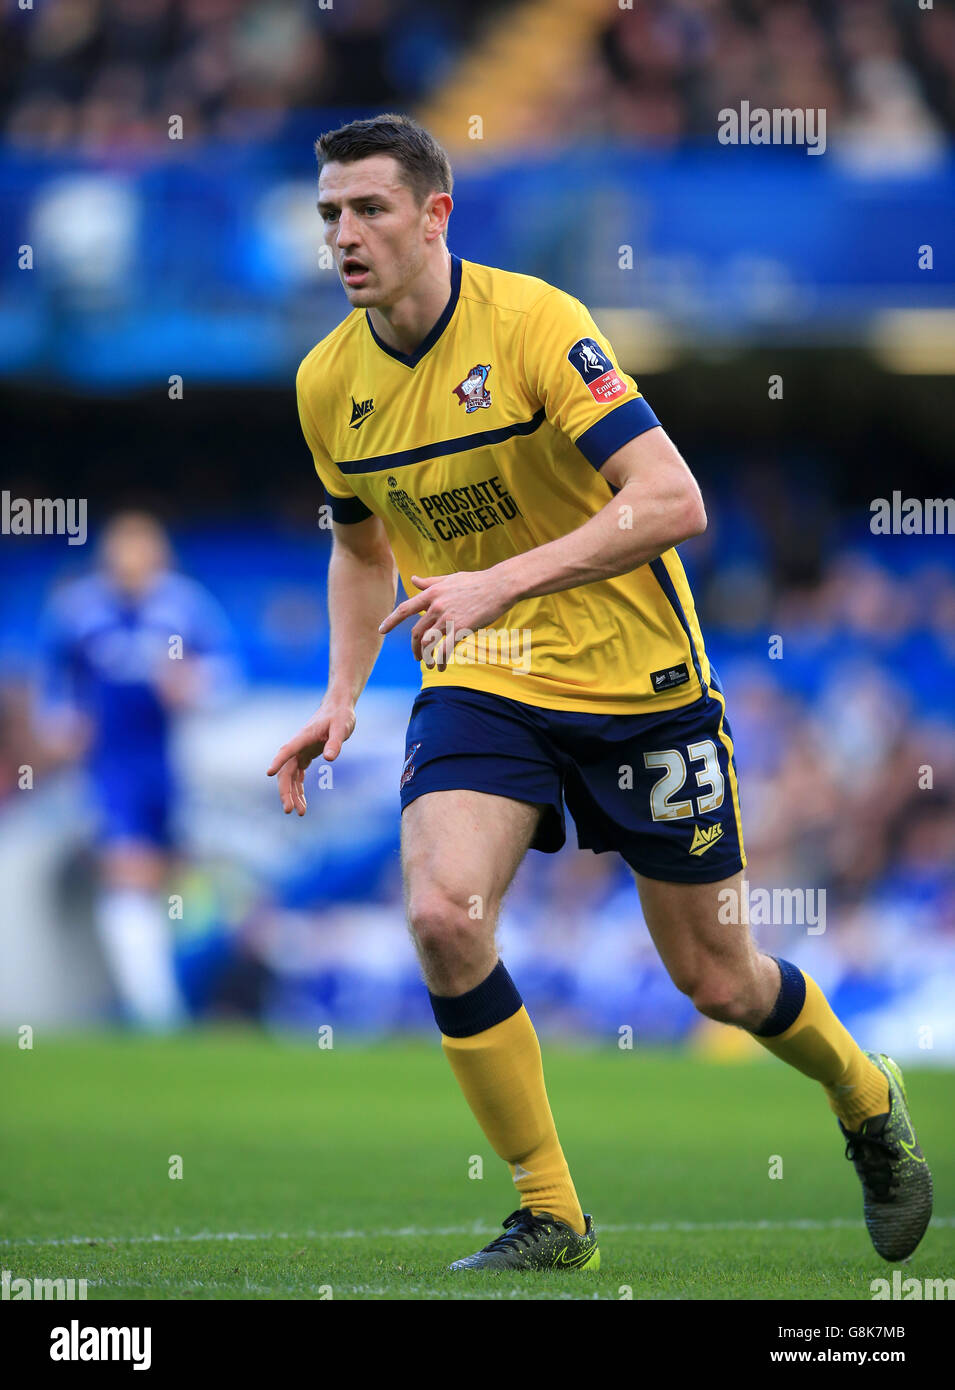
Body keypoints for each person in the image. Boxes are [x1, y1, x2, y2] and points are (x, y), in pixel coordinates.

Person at [268, 113, 932, 1271]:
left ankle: (867, 1099)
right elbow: (361, 547)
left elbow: (673, 501)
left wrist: (498, 579)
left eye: (370, 208)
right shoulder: (328, 381)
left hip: (641, 683)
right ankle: (552, 1210)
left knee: (718, 979)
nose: (345, 235)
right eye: (330, 214)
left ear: (436, 215)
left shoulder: (535, 324)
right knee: (440, 915)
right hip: (483, 679)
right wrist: (342, 691)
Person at [38, 511, 237, 1029]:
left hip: (173, 763)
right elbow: (53, 687)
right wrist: (63, 728)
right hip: (110, 767)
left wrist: (193, 686)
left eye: (142, 550)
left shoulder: (186, 606)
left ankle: (170, 995)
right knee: (126, 870)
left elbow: (228, 676)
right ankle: (157, 1014)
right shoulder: (78, 611)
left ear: (160, 555)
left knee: (171, 879)